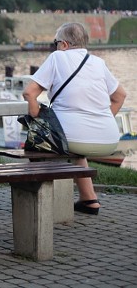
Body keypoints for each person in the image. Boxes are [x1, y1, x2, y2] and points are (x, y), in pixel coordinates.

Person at [22, 22, 127, 215]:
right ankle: (89, 200)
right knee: (76, 148)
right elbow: (120, 96)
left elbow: (29, 93)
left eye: (55, 43)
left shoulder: (57, 57)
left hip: (72, 137)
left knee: (38, 142)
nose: (54, 47)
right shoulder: (98, 62)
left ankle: (39, 204)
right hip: (109, 139)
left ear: (63, 44)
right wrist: (101, 120)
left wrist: (36, 115)